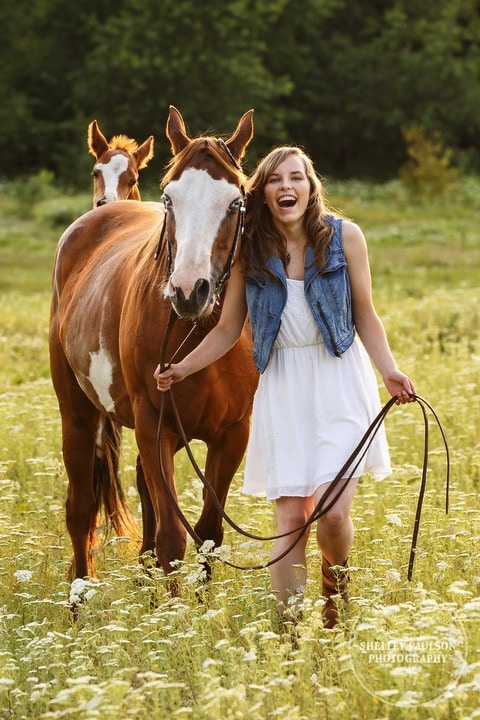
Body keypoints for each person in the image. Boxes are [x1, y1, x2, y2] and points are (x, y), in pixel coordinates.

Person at [154, 146, 415, 629]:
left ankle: (335, 594)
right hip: (283, 386)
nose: (286, 187)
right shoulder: (249, 251)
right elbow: (228, 329)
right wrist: (182, 369)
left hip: (339, 380)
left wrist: (390, 371)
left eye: (297, 178)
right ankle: (291, 635)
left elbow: (366, 316)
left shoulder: (345, 238)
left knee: (333, 514)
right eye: (275, 180)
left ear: (312, 186)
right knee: (291, 520)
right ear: (263, 192)